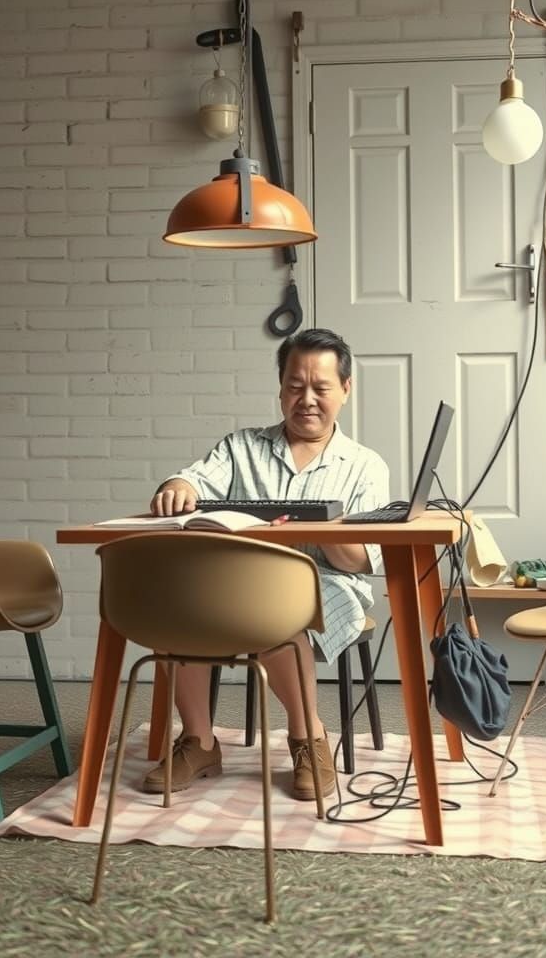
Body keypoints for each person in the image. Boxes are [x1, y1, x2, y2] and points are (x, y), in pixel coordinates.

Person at [145, 328, 390, 800]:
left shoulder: (365, 465)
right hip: (242, 580)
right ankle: (198, 742)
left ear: (346, 389)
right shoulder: (242, 447)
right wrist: (178, 485)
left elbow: (362, 560)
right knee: (178, 608)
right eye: (295, 387)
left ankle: (308, 738)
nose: (307, 400)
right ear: (280, 387)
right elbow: (193, 478)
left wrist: (311, 531)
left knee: (282, 611)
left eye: (321, 388)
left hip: (331, 583)